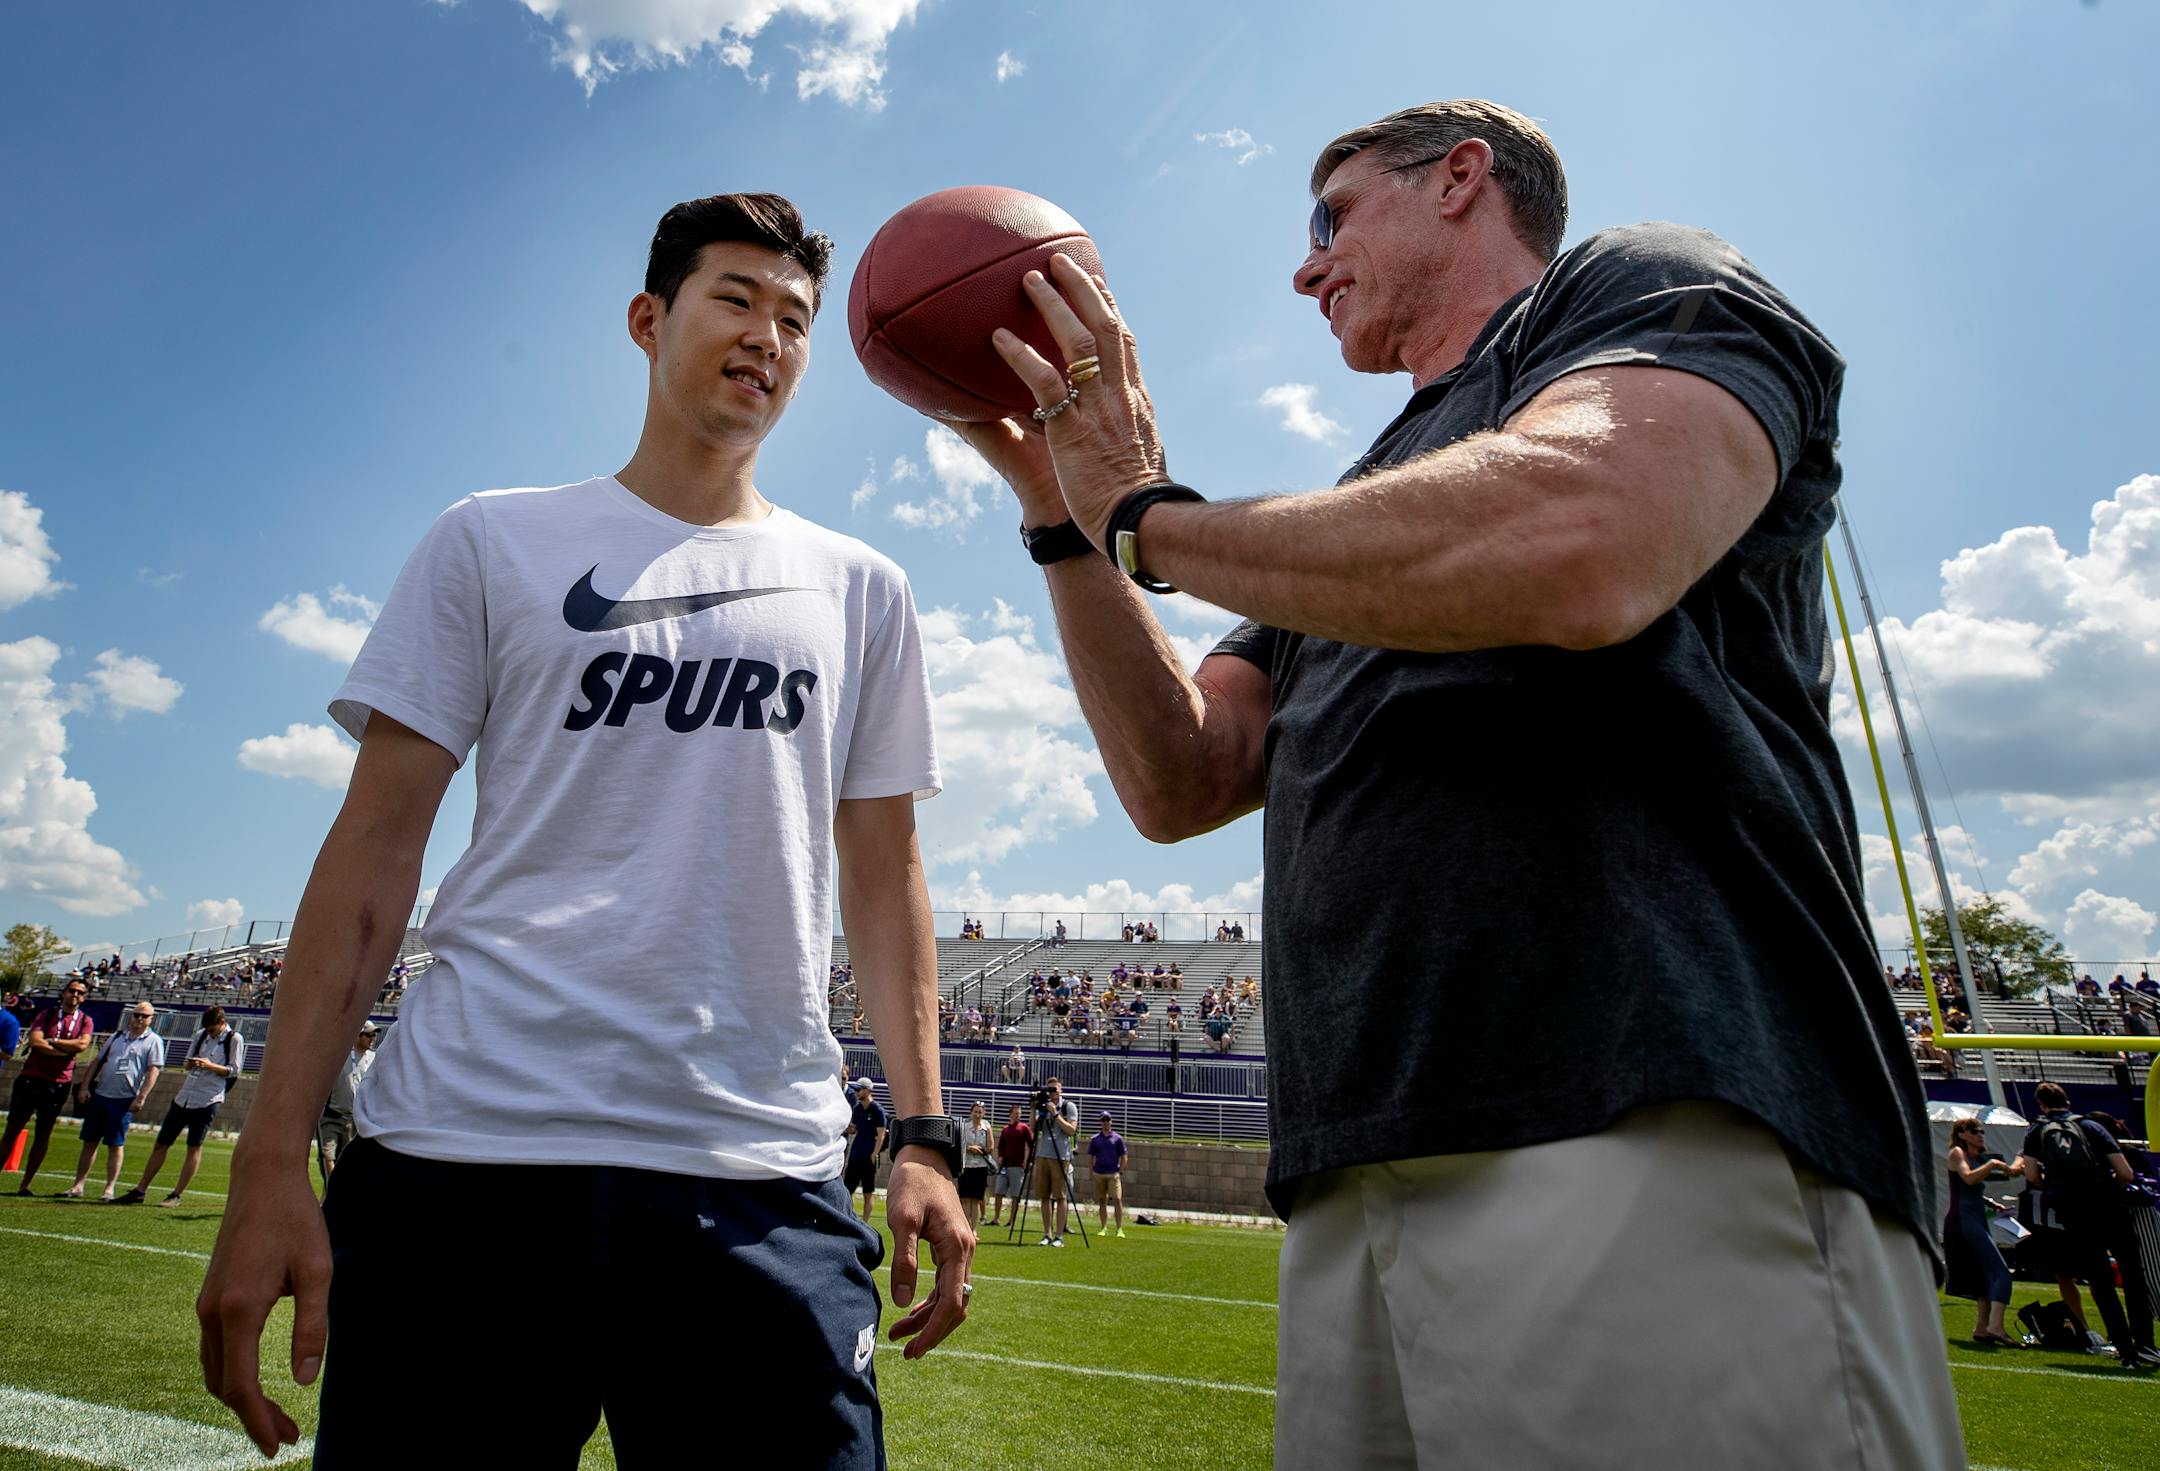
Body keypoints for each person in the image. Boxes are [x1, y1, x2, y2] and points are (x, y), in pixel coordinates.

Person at [956, 97, 1959, 1463]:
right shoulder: (1358, 508)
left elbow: (1589, 534)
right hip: (1364, 1148)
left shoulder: (1639, 281)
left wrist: (1148, 515)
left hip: (1647, 1108)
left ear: (1462, 181)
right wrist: (1066, 527)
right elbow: (1182, 772)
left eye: (1334, 213)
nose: (1307, 266)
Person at [195, 191, 970, 1467]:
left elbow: (884, 882)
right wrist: (271, 1155)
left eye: (795, 318)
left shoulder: (862, 587)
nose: (766, 337)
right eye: (735, 298)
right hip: (468, 1160)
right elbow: (376, 851)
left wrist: (928, 1133)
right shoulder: (494, 537)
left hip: (759, 1173)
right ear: (648, 318)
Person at [2019, 1082, 2158, 1369]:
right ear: (2067, 1101)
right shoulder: (2092, 1127)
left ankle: (2124, 1348)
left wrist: (2057, 1189)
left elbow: (2032, 1175)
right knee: (2133, 1276)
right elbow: (2126, 1172)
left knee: (2101, 1282)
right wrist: (2112, 1189)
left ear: (2041, 1105)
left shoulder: (2037, 1131)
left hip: (2074, 1214)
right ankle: (2146, 1345)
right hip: (2109, 1206)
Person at [119, 1006, 244, 1206]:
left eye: (213, 1030)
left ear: (222, 1023)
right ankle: (140, 1189)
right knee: (161, 1143)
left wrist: (209, 1065)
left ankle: (176, 1194)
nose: (210, 1033)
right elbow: (186, 1063)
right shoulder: (200, 1035)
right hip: (185, 1095)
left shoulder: (234, 1039)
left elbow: (234, 1070)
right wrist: (192, 1063)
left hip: (208, 1098)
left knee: (194, 1146)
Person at [61, 1001, 163, 1202]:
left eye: (144, 1016)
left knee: (115, 1144)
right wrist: (84, 1087)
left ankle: (109, 1188)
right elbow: (98, 1061)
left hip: (124, 1099)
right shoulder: (117, 1036)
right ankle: (78, 1184)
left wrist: (141, 1096)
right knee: (89, 1142)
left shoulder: (153, 1041)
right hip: (101, 1094)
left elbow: (154, 1070)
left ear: (151, 1019)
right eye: (136, 1015)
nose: (139, 1019)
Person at [3, 980, 96, 1194]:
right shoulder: (46, 1014)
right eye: (71, 990)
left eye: (80, 992)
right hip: (31, 1078)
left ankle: (26, 1184)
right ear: (64, 992)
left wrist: (52, 1041)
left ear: (84, 997)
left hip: (58, 1083)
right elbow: (36, 1041)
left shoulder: (85, 1020)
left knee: (43, 1134)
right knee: (12, 1131)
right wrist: (64, 1049)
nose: (74, 995)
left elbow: (82, 1045)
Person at [1943, 1118, 2021, 1345]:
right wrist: (1994, 1164)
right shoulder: (1957, 1153)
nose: (1980, 1135)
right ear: (1962, 1134)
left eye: (1982, 1131)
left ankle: (1982, 1328)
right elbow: (1967, 1179)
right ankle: (1995, 1326)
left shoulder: (1976, 1158)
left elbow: (1969, 1187)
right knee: (2002, 1273)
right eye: (1974, 1131)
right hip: (1963, 1220)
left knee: (1984, 1276)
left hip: (1975, 1218)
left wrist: (1989, 1202)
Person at [313, 1021, 376, 1191]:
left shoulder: (374, 1059)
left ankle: (333, 1196)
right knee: (327, 1155)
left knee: (346, 1161)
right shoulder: (340, 1055)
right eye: (369, 1035)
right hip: (333, 1114)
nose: (372, 1038)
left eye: (374, 1035)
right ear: (358, 1035)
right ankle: (335, 1189)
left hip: (356, 1118)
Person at [1032, 1077, 1079, 1246]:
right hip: (1043, 1154)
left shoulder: (1068, 1106)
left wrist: (1055, 1114)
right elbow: (1033, 1129)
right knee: (1044, 1196)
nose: (1051, 1093)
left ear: (1061, 1090)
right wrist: (1034, 1109)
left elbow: (1071, 1130)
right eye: (1049, 1089)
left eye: (1054, 1090)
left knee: (1060, 1196)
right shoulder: (1044, 1106)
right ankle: (1047, 1233)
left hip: (1061, 1156)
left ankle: (1059, 1236)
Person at [845, 1078, 887, 1223]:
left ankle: (865, 1222)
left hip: (868, 1156)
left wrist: (874, 1154)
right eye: (856, 1089)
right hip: (855, 1154)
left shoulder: (877, 1110)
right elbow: (853, 1128)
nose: (856, 1092)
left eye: (859, 1089)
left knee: (868, 1192)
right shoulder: (857, 1108)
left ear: (868, 1090)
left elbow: (881, 1134)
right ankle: (852, 1219)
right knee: (847, 1190)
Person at [991, 1102, 1033, 1228]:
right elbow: (1001, 1146)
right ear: (1010, 1114)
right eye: (1015, 1113)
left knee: (1015, 1194)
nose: (1017, 1116)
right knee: (999, 1192)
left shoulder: (1024, 1128)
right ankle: (996, 1218)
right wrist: (1000, 1157)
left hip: (1017, 1166)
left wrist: (1028, 1160)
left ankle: (1011, 1220)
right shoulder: (1005, 1129)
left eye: (1019, 1113)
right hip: (1004, 1167)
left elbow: (1032, 1145)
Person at [1088, 1113, 1128, 1238]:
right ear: (1100, 1122)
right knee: (1102, 1201)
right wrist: (1092, 1171)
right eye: (1103, 1120)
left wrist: (1120, 1170)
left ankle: (1119, 1228)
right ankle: (1103, 1227)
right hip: (1099, 1173)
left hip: (1112, 1174)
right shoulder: (1095, 1139)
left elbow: (1124, 1156)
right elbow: (1090, 1156)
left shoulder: (1117, 1139)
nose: (1105, 1122)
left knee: (1117, 1199)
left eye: (1107, 1120)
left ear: (1111, 1122)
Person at [958, 1101, 993, 1240]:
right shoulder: (965, 1126)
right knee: (965, 1199)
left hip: (980, 1166)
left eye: (980, 1112)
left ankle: (973, 1229)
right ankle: (965, 1228)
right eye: (975, 1111)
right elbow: (960, 1144)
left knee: (976, 1199)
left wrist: (981, 1150)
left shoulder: (987, 1126)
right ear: (971, 1112)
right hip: (967, 1166)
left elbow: (991, 1146)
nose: (977, 1114)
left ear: (983, 1113)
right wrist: (969, 1148)